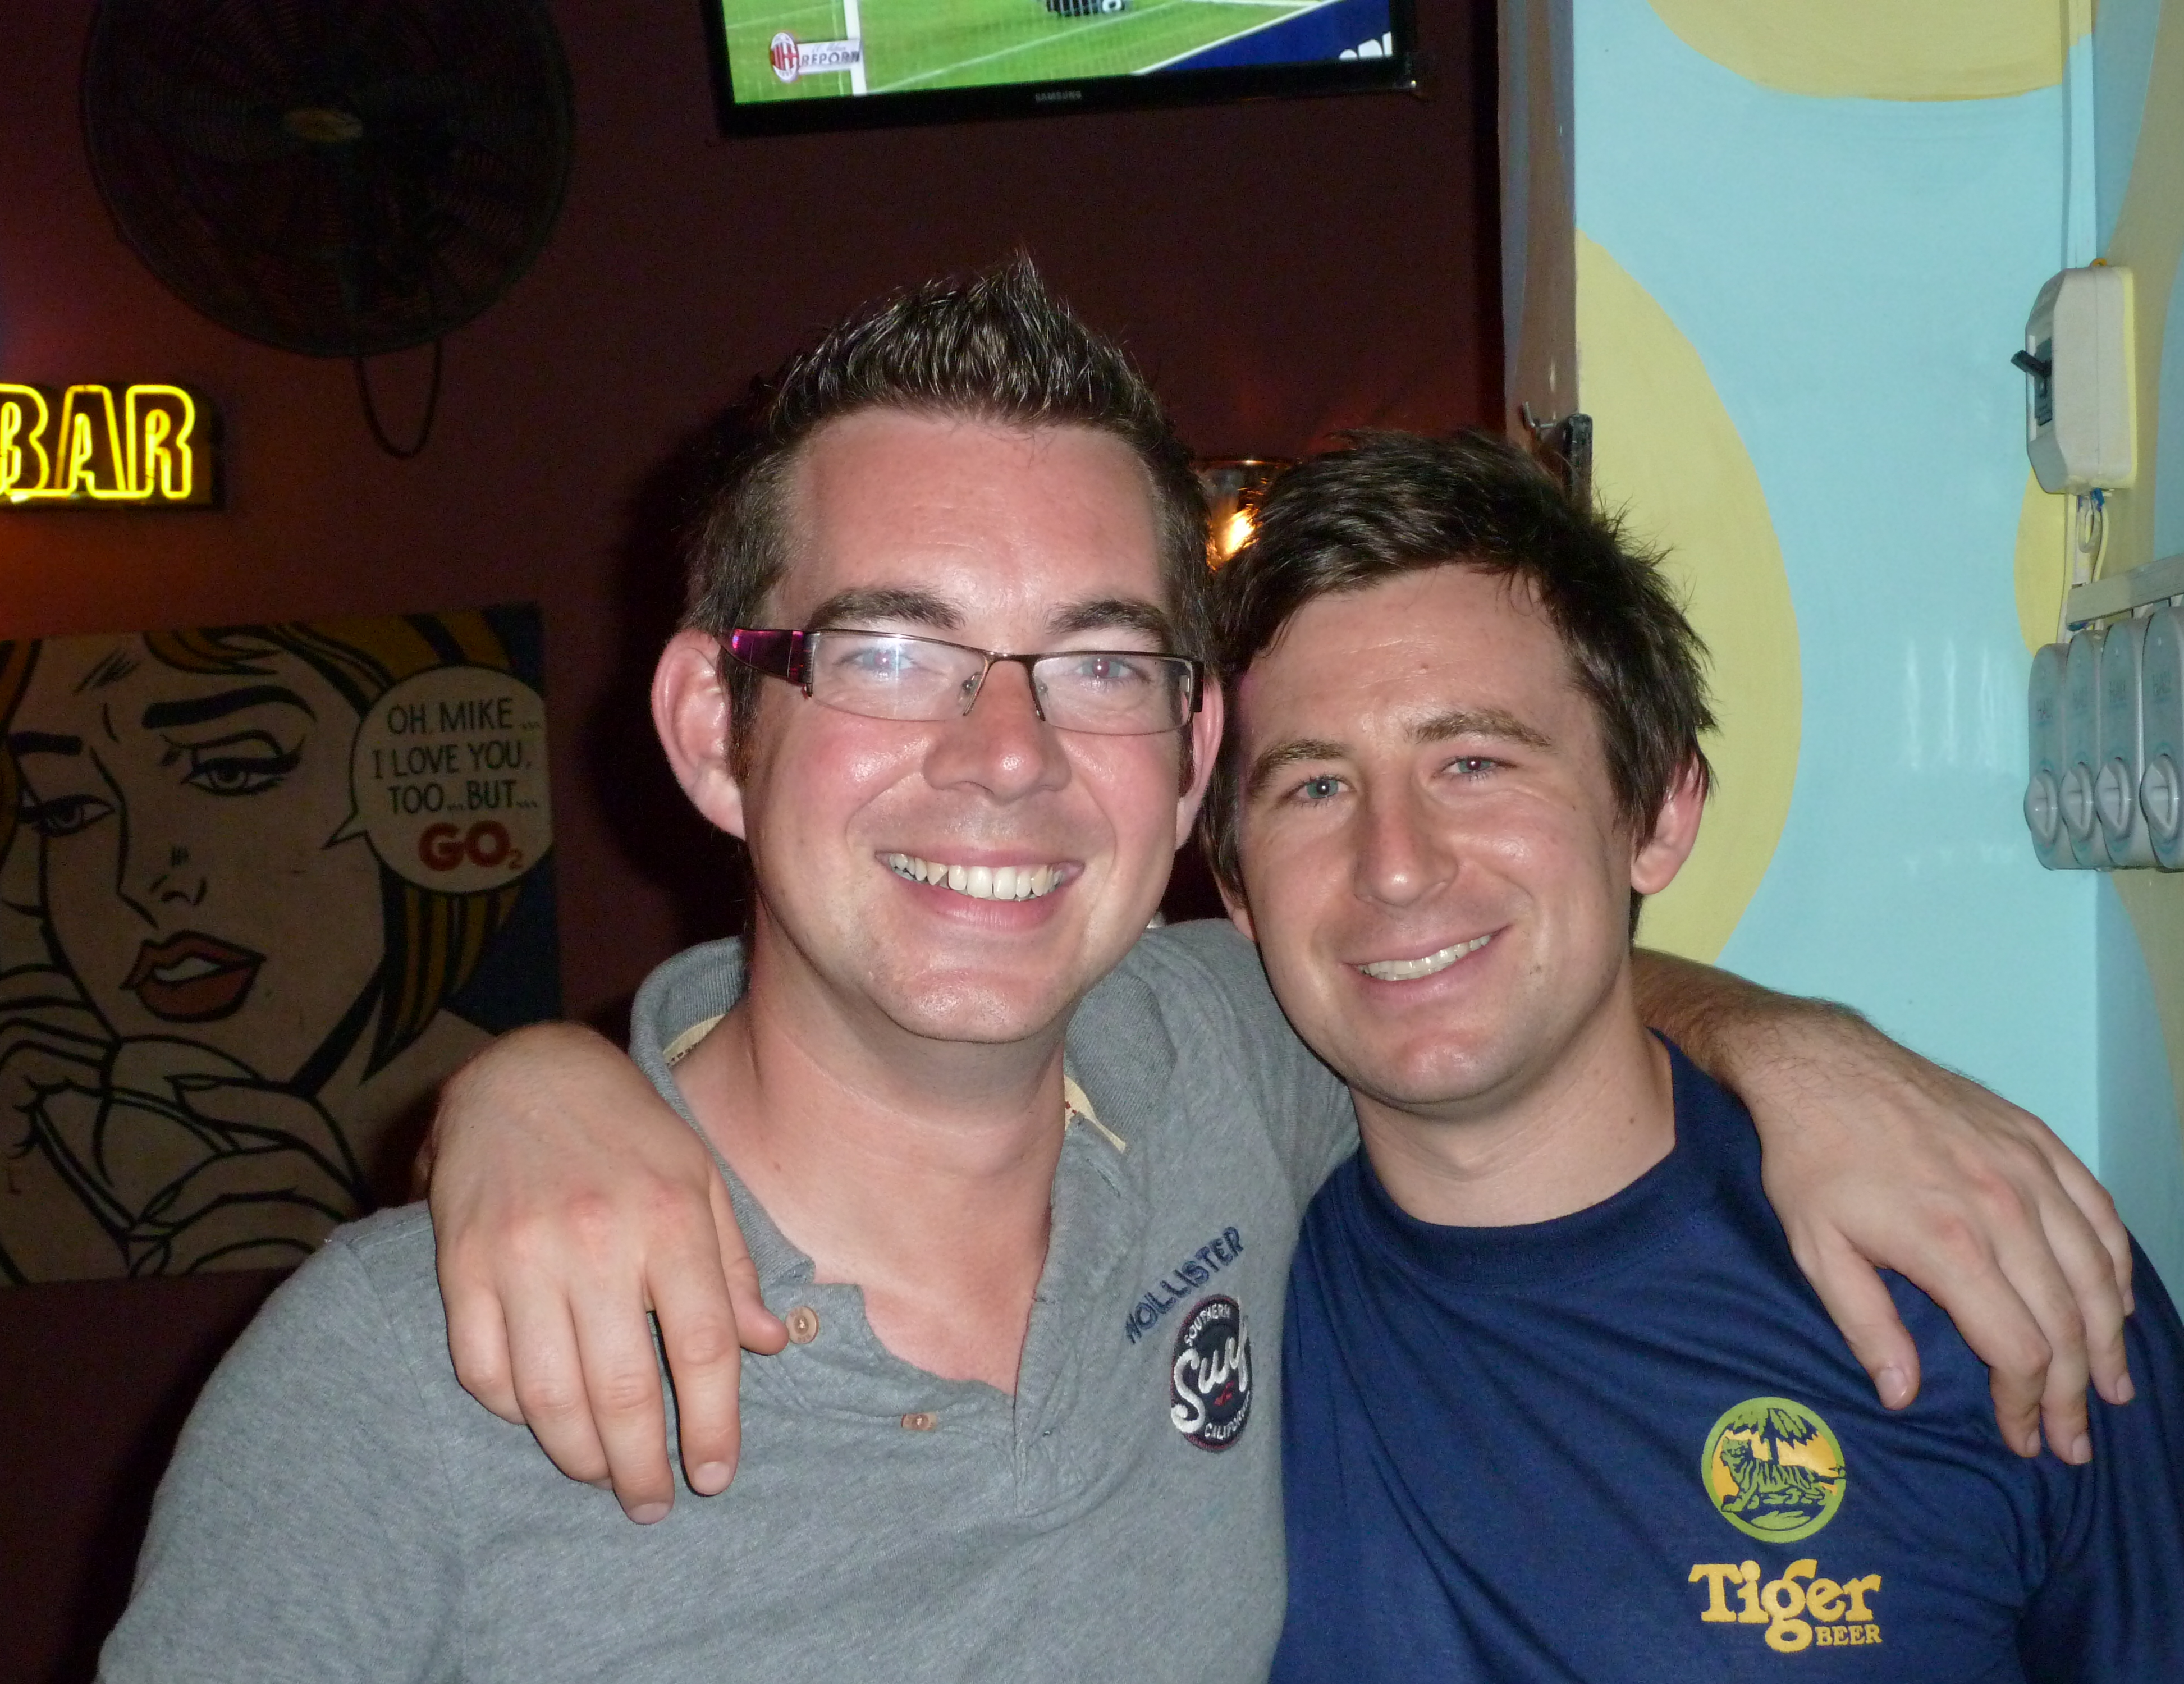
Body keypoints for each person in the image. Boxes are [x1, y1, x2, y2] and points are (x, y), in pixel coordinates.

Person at [103, 266, 2128, 1682]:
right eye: (889, 651)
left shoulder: (1230, 1063)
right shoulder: (390, 1382)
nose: (1003, 752)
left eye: (1093, 663)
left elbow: (1481, 965)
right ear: (717, 729)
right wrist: (514, 1080)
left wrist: (1806, 1047)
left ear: (1180, 761)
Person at [1189, 432, 2183, 1679]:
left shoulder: (1984, 1277)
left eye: (1474, 763)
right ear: (1236, 884)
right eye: (1315, 789)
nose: (1395, 865)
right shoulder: (1205, 1292)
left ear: (1657, 813)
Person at [0, 613, 534, 1285]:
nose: (143, 879)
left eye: (231, 771)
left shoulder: (543, 1142)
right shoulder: (15, 1151)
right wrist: (37, 1226)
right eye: (65, 809)